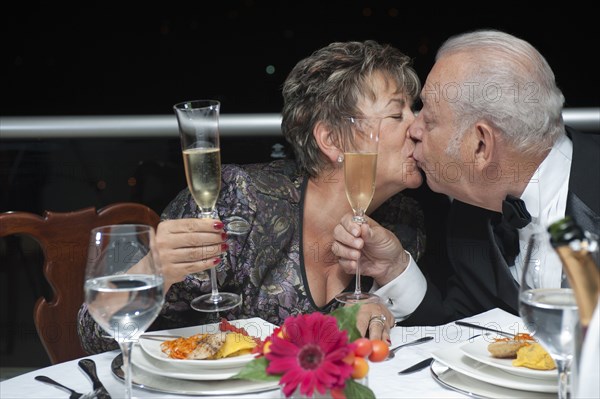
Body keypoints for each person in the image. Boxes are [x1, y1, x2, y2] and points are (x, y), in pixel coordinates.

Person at [78, 40, 427, 354]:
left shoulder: (402, 220)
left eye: (414, 110)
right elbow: (93, 333)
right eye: (398, 114)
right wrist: (154, 270)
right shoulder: (239, 200)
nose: (417, 127)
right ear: (332, 140)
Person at [332, 29, 600, 326]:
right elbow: (459, 330)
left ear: (481, 145)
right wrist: (395, 267)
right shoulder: (468, 214)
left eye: (429, 119)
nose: (414, 130)